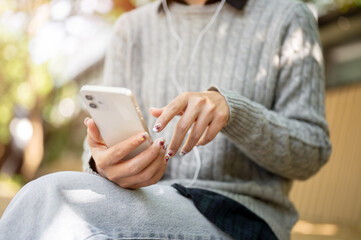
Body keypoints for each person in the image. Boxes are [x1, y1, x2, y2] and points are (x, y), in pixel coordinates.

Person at [0, 0, 332, 239]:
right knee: (43, 198)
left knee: (67, 218)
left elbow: (311, 152)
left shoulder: (288, 15)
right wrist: (104, 165)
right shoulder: (132, 28)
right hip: (146, 199)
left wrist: (235, 112)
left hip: (240, 214)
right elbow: (103, 149)